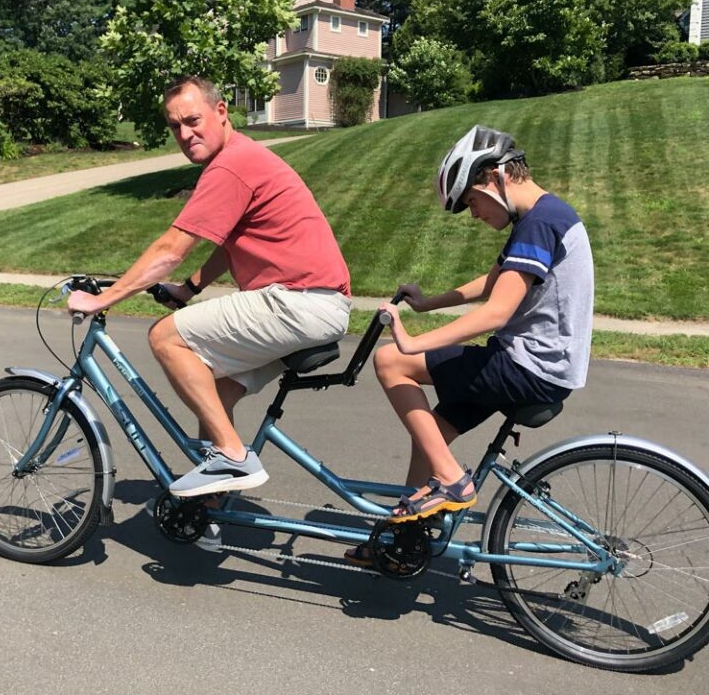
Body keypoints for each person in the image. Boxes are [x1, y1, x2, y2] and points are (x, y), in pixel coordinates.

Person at [68, 75, 351, 507]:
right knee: (214, 397)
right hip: (316, 302)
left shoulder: (231, 165)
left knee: (165, 336)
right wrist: (189, 289)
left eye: (193, 120)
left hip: (298, 301)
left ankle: (234, 458)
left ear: (221, 112)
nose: (185, 133)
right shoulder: (244, 158)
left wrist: (102, 299)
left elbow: (169, 249)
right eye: (175, 126)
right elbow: (229, 241)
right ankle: (210, 514)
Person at [346, 124, 593, 565]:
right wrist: (428, 304)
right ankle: (405, 539)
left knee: (389, 362)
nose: (475, 215)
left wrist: (412, 342)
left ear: (495, 177)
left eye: (472, 202)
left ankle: (452, 483)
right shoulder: (543, 216)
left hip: (526, 368)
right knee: (430, 436)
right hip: (533, 367)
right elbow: (493, 281)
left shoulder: (539, 223)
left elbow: (496, 312)